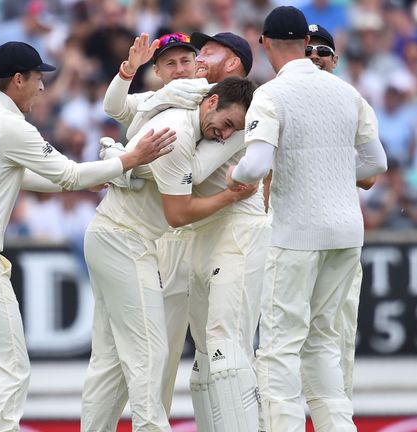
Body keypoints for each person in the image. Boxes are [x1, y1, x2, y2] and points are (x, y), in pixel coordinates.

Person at [0, 41, 176, 432]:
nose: (42, 88)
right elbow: (68, 173)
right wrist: (129, 160)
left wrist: (96, 178)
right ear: (18, 80)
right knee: (8, 374)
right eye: (38, 78)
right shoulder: (11, 127)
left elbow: (25, 176)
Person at [99, 30, 269, 431]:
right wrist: (139, 80)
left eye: (207, 51)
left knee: (225, 352)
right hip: (185, 236)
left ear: (232, 64)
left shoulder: (242, 112)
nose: (197, 58)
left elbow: (188, 178)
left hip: (229, 230)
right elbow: (118, 110)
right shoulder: (188, 97)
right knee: (177, 357)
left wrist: (119, 164)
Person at [227, 7, 387, 431]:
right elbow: (376, 162)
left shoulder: (271, 94)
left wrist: (234, 174)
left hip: (296, 232)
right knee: (322, 344)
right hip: (347, 234)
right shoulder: (347, 92)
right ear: (304, 43)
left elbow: (256, 164)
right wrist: (332, 172)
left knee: (280, 345)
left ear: (264, 43)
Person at [303, 22, 380, 403]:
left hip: (337, 234)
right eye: (308, 50)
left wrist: (324, 168)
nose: (315, 56)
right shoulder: (276, 97)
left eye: (322, 51)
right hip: (288, 233)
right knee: (279, 341)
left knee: (336, 335)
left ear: (335, 60)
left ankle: (336, 416)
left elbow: (370, 175)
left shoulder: (350, 100)